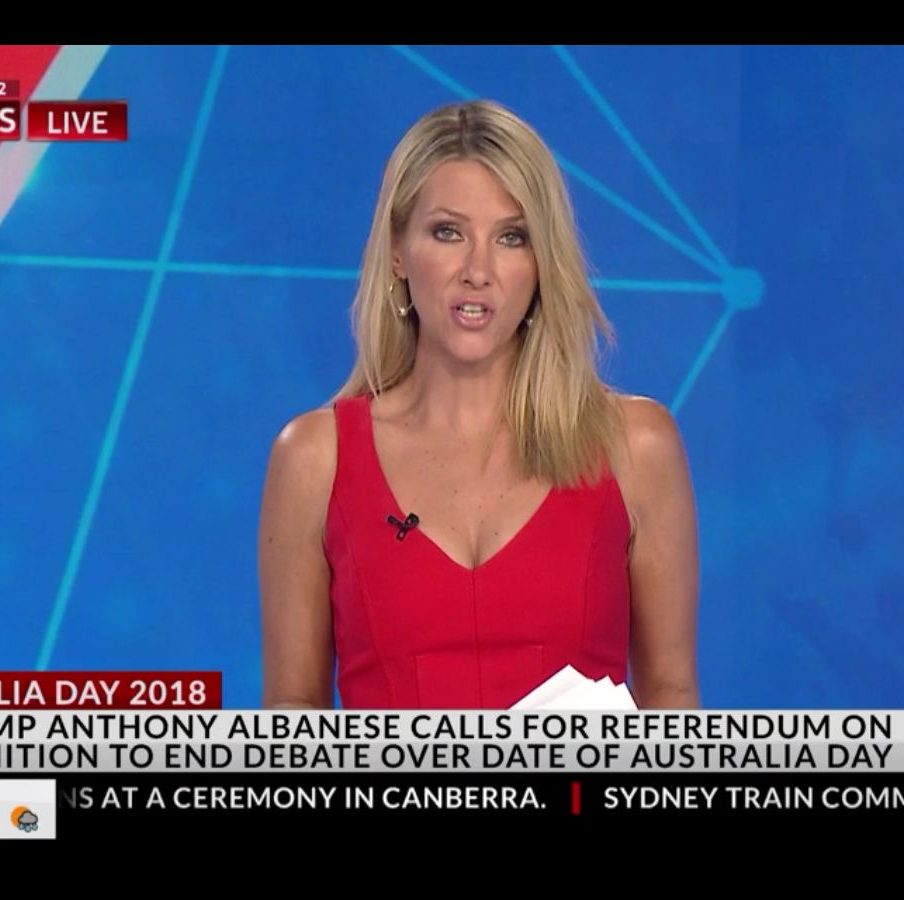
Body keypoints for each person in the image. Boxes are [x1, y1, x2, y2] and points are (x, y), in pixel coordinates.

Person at [259, 100, 699, 709]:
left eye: (511, 237)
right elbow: (293, 718)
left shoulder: (635, 446)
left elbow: (671, 697)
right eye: (448, 232)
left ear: (542, 263)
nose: (478, 270)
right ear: (397, 250)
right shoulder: (314, 460)